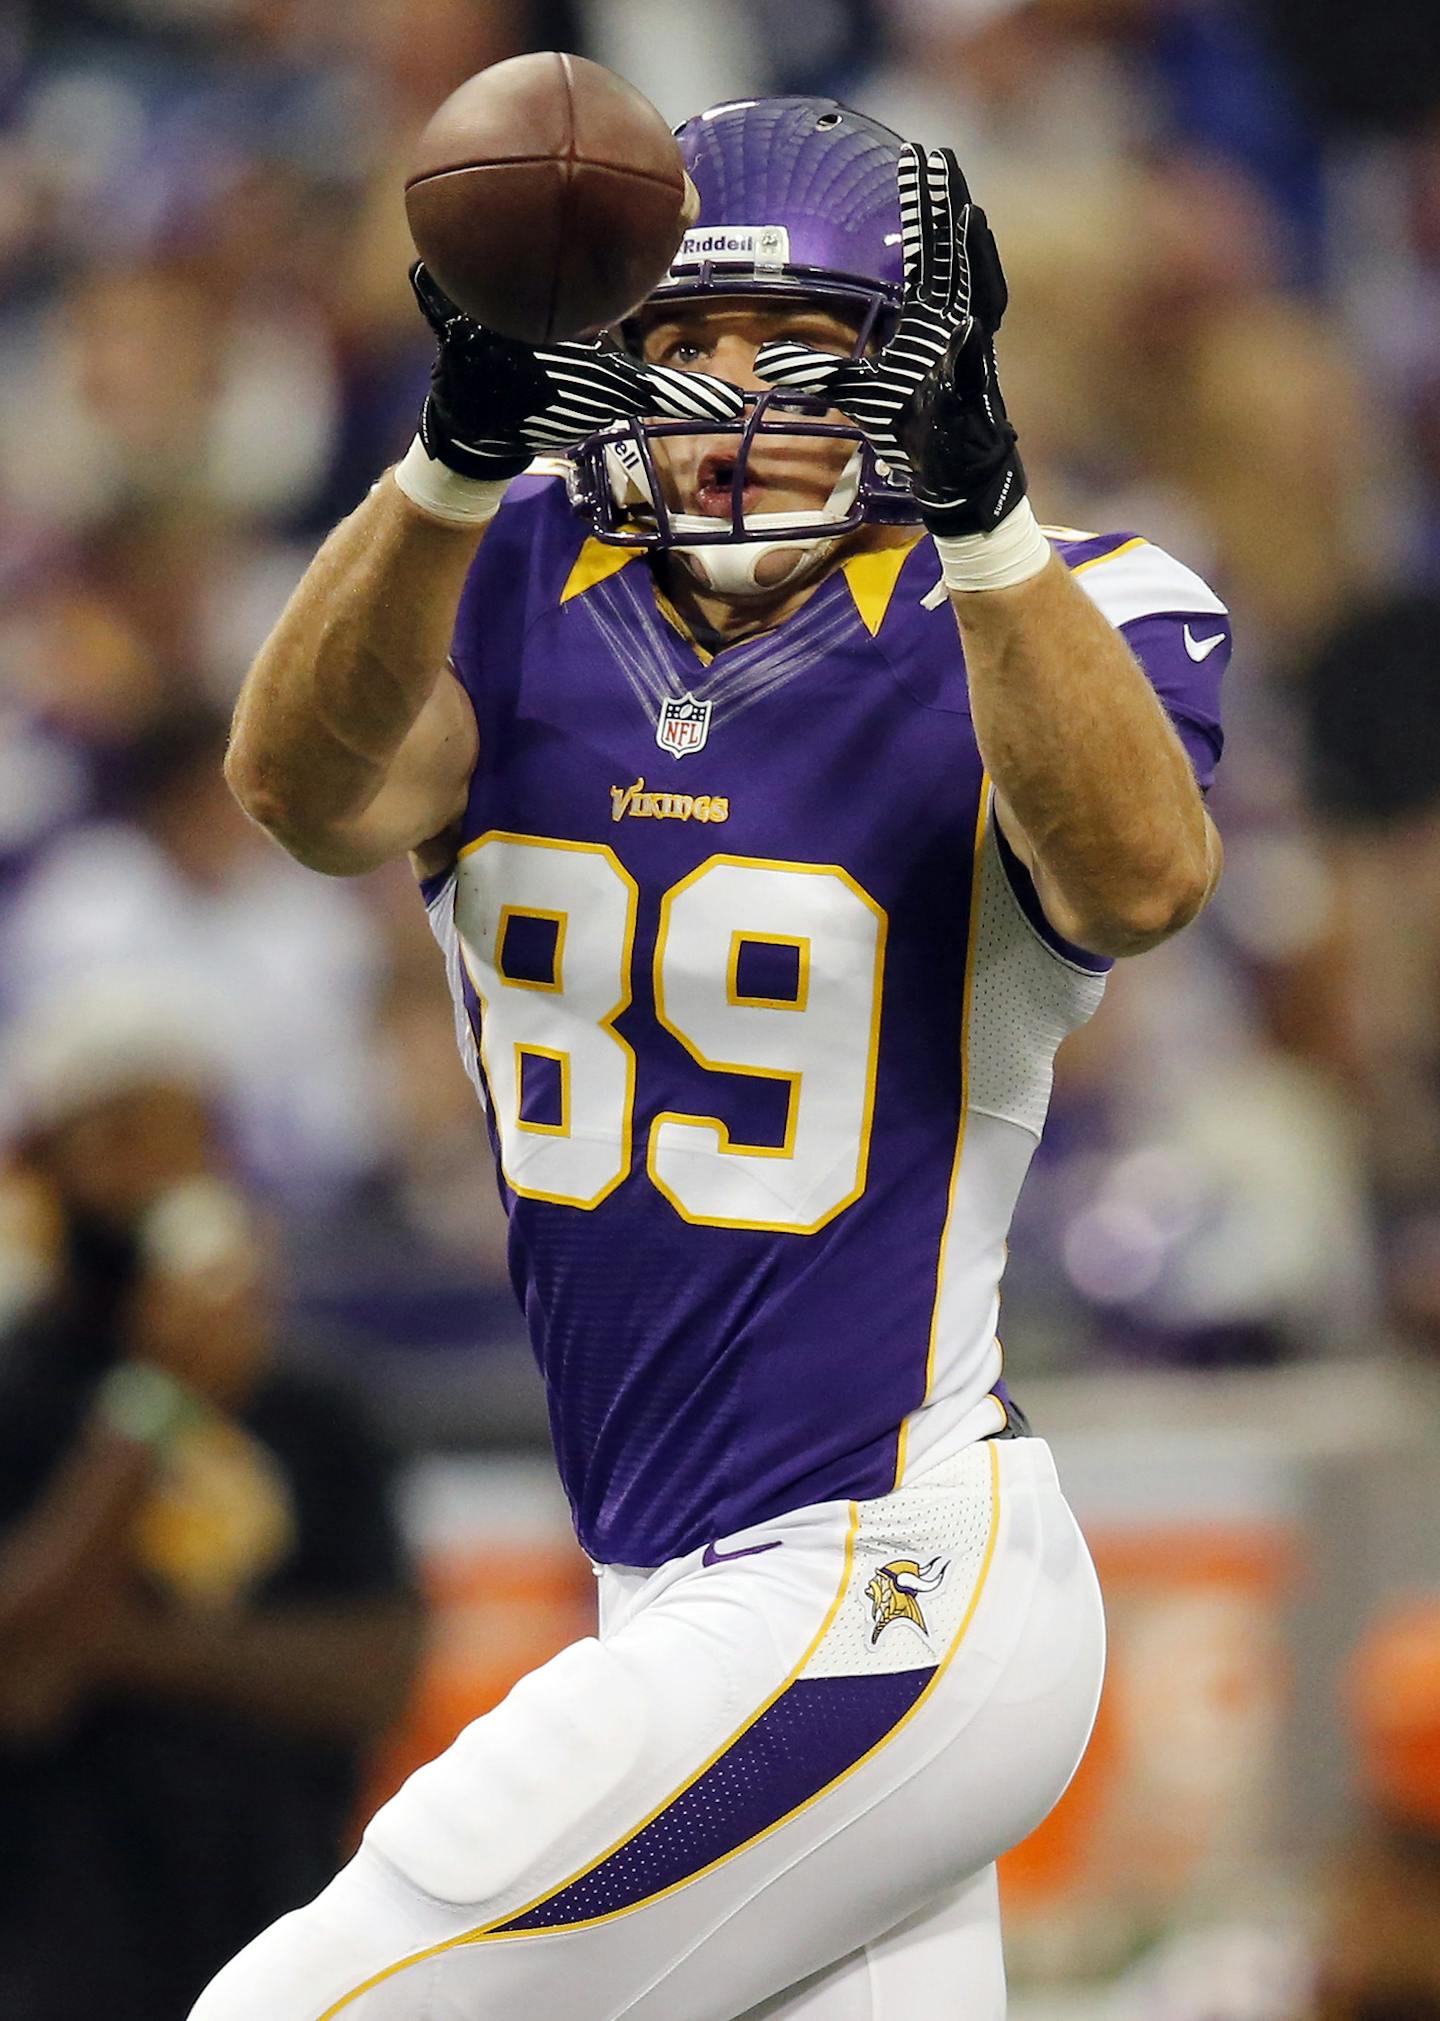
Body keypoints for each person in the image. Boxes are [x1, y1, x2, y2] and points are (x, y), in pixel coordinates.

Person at [200, 97, 1230, 2021]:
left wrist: (989, 511)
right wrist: (442, 459)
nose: (732, 403)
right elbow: (304, 792)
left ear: (921, 369)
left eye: (804, 353)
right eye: (681, 344)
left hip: (882, 1559)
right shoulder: (507, 582)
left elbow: (1142, 875)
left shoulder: (1060, 604)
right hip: (681, 1580)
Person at [0, 985, 424, 2021]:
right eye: (118, 1141)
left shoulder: (315, 1401)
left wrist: (113, 1643)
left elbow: (376, 1671)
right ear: (44, 1171)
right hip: (62, 1941)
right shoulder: (18, 1392)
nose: (156, 1178)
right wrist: (156, 1406)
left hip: (286, 1924)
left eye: (186, 1141)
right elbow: (16, 1688)